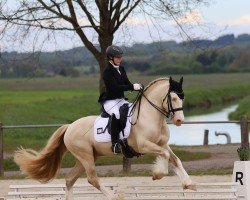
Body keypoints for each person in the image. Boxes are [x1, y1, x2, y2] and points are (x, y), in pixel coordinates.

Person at [98, 45, 142, 154]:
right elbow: (115, 88)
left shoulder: (121, 69)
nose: (119, 59)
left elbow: (127, 83)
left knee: (132, 111)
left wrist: (137, 87)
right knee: (116, 114)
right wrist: (132, 87)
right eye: (117, 57)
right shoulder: (107, 72)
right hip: (110, 100)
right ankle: (115, 143)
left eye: (120, 57)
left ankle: (130, 138)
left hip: (120, 99)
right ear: (110, 58)